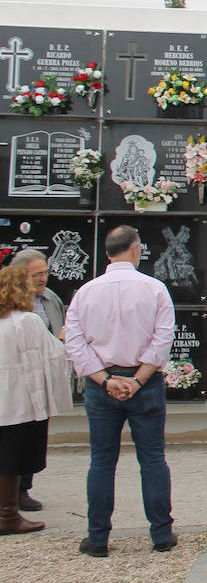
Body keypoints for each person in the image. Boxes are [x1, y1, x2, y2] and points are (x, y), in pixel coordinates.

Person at [64, 225, 176, 557]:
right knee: (153, 459)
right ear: (134, 249)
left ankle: (97, 540)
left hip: (103, 387)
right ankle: (161, 535)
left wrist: (105, 380)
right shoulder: (154, 289)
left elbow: (75, 342)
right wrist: (138, 380)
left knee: (101, 461)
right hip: (145, 383)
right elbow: (162, 339)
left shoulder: (85, 292)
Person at [0, 264, 72, 534]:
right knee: (12, 458)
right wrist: (65, 338)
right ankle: (8, 515)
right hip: (18, 400)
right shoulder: (26, 321)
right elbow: (51, 355)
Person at [9, 248, 66, 512]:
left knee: (33, 436)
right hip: (12, 380)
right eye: (37, 274)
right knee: (12, 437)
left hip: (40, 377)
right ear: (20, 275)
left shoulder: (49, 298)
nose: (43, 278)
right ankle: (11, 495)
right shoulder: (7, 302)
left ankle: (23, 489)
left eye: (45, 273)